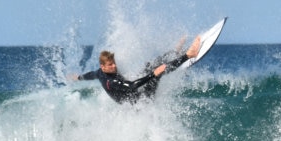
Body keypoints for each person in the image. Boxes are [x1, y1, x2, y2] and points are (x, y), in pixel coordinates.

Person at [71, 35, 202, 103]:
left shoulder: (99, 72)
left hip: (137, 92)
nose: (114, 66)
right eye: (110, 65)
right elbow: (132, 85)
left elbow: (90, 75)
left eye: (114, 63)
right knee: (158, 71)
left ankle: (174, 52)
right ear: (103, 66)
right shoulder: (110, 81)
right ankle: (188, 55)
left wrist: (78, 77)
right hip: (141, 102)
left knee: (150, 64)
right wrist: (153, 75)